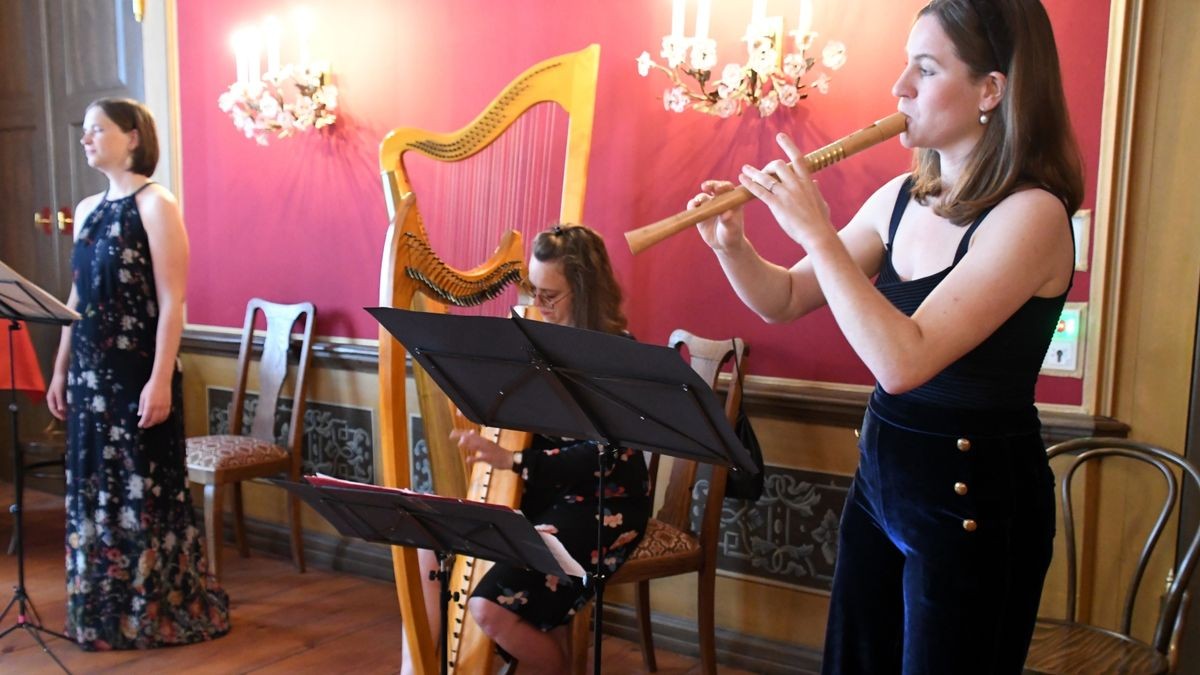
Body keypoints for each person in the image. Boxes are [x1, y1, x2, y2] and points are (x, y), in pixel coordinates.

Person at [688, 0, 1081, 672]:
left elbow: (904, 359)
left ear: (991, 90)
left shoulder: (1033, 216)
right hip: (882, 482)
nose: (899, 88)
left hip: (973, 502)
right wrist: (732, 246)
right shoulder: (900, 196)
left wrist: (815, 228)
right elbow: (785, 297)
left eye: (924, 70)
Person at [400, 224, 651, 674]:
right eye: (532, 290)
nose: (538, 304)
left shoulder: (617, 356)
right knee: (426, 544)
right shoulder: (535, 343)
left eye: (550, 295)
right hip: (541, 492)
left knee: (488, 610)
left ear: (585, 290)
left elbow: (603, 457)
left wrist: (512, 460)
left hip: (602, 507)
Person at [46, 98, 231, 650]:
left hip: (136, 375)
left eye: (96, 130)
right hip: (89, 375)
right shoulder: (85, 210)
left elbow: (174, 303)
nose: (85, 139)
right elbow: (75, 298)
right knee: (94, 490)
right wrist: (59, 371)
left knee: (142, 489)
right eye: (83, 131)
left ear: (131, 137)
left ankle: (151, 611)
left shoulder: (156, 204)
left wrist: (159, 379)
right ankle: (102, 610)